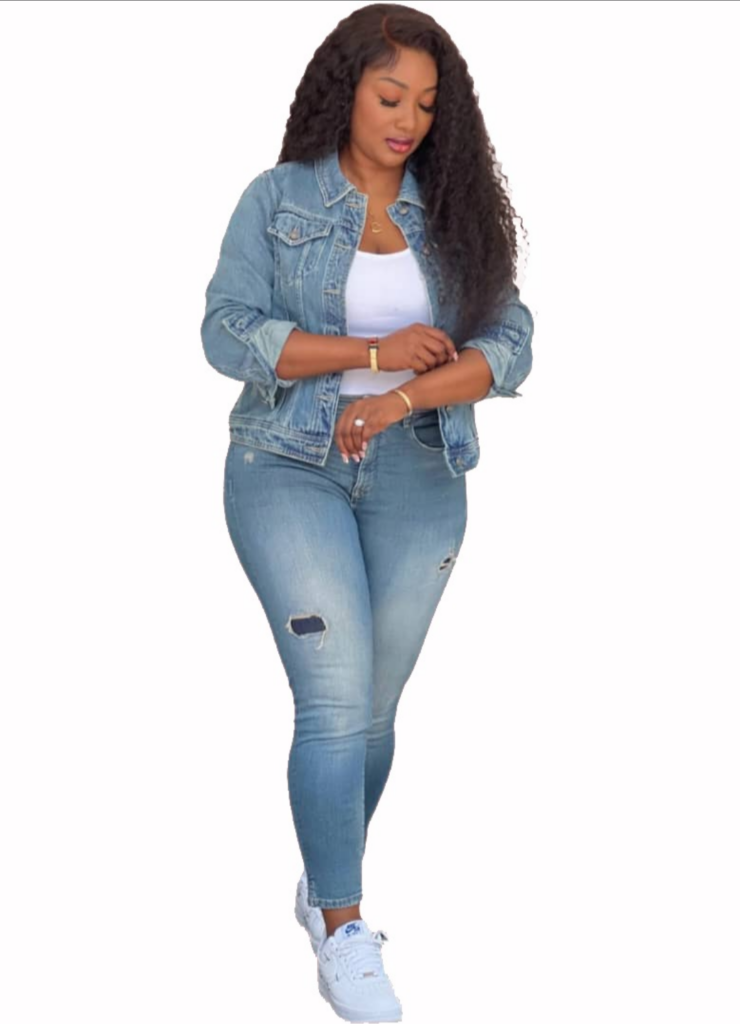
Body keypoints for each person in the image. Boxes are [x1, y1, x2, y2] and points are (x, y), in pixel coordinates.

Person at [200, 4, 534, 1020]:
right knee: (334, 699)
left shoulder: (456, 212)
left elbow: (509, 341)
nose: (407, 121)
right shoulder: (277, 198)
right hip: (287, 463)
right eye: (390, 97)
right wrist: (373, 355)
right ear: (344, 90)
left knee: (375, 711)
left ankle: (321, 878)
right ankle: (344, 928)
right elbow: (226, 332)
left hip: (418, 474)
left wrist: (401, 397)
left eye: (427, 105)